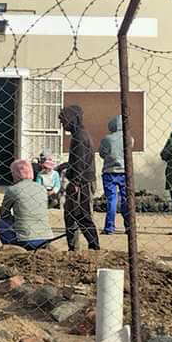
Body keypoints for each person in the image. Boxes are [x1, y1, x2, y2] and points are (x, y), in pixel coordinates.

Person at [58, 104, 100, 251]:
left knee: (82, 215)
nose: (63, 126)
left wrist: (75, 183)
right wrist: (66, 165)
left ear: (73, 120)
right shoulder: (79, 135)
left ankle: (94, 247)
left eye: (64, 122)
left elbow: (81, 162)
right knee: (70, 214)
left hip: (82, 182)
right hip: (80, 179)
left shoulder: (80, 137)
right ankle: (73, 248)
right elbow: (78, 160)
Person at [0, 159, 55, 250]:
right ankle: (42, 246)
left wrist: (13, 219)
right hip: (46, 237)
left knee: (0, 222)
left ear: (14, 173)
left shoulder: (13, 190)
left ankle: (12, 247)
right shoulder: (42, 189)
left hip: (25, 238)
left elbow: (4, 213)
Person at [98, 115, 129, 234]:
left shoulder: (107, 139)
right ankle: (128, 227)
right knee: (126, 200)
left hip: (109, 172)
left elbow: (102, 153)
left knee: (112, 199)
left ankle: (109, 227)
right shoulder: (128, 138)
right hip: (125, 172)